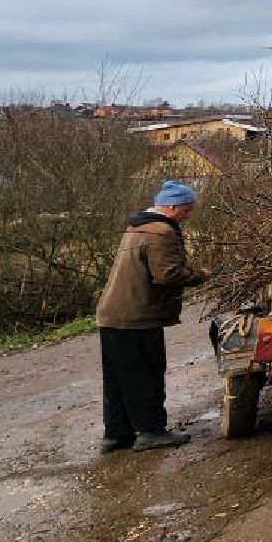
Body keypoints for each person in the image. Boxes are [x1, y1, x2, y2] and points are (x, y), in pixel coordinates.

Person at [95, 179, 210, 452]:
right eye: (186, 210)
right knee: (145, 375)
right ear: (172, 207)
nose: (187, 216)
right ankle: (150, 432)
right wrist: (200, 275)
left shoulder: (137, 226)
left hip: (113, 314)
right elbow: (167, 274)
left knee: (118, 378)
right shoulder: (161, 232)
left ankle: (116, 435)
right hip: (137, 316)